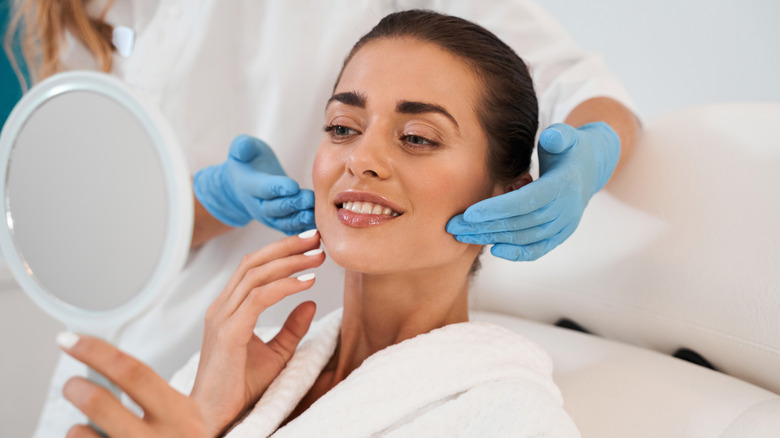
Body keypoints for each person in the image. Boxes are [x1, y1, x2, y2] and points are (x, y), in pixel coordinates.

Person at [5, 1, 638, 435]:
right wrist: (197, 201)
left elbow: (582, 90)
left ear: (506, 190)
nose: (360, 158)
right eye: (339, 127)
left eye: (417, 136)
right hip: (176, 347)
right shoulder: (229, 384)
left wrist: (587, 161)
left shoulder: (502, 414)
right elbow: (97, 206)